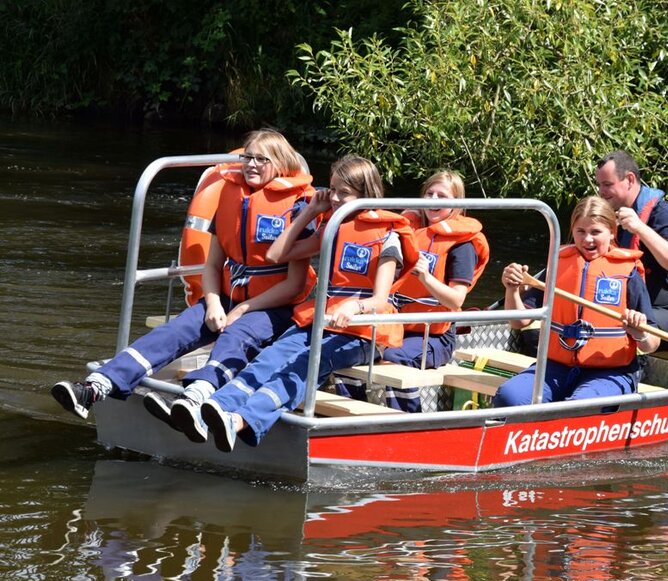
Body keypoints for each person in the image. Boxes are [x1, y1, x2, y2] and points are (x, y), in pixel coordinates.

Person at [51, 129, 316, 422]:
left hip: (274, 307)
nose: (251, 165)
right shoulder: (231, 197)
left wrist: (244, 308)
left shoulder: (298, 206)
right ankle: (95, 388)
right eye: (247, 157)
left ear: (279, 163)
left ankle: (195, 399)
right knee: (177, 329)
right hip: (227, 296)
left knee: (236, 335)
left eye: (261, 159)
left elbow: (295, 285)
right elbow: (214, 265)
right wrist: (213, 303)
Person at [181, 155, 419, 452]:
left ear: (365, 194)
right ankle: (215, 409)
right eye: (331, 190)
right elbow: (276, 255)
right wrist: (309, 212)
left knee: (303, 365)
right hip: (322, 320)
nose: (333, 198)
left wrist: (353, 308)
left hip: (362, 332)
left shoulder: (388, 237)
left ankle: (240, 421)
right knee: (270, 357)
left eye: (343, 193)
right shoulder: (333, 227)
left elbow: (379, 300)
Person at [494, 196, 660, 407]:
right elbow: (519, 322)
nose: (587, 240)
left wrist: (640, 332)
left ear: (611, 232)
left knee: (580, 407)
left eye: (595, 232)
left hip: (608, 371)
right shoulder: (557, 265)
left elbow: (652, 344)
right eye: (580, 231)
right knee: (510, 397)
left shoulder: (628, 273)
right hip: (556, 366)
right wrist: (512, 289)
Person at [383, 171, 490, 412]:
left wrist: (425, 276)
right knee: (354, 346)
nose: (433, 200)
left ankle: (406, 420)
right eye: (429, 193)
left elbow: (456, 300)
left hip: (435, 337)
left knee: (392, 355)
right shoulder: (407, 231)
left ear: (457, 204)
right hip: (397, 325)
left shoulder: (462, 245)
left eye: (441, 196)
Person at [595, 150, 668, 335]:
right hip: (629, 307)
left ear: (630, 180)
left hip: (667, 311)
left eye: (607, 184)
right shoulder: (613, 216)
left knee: (616, 327)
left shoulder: (663, 215)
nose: (601, 191)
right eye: (599, 185)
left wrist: (640, 228)